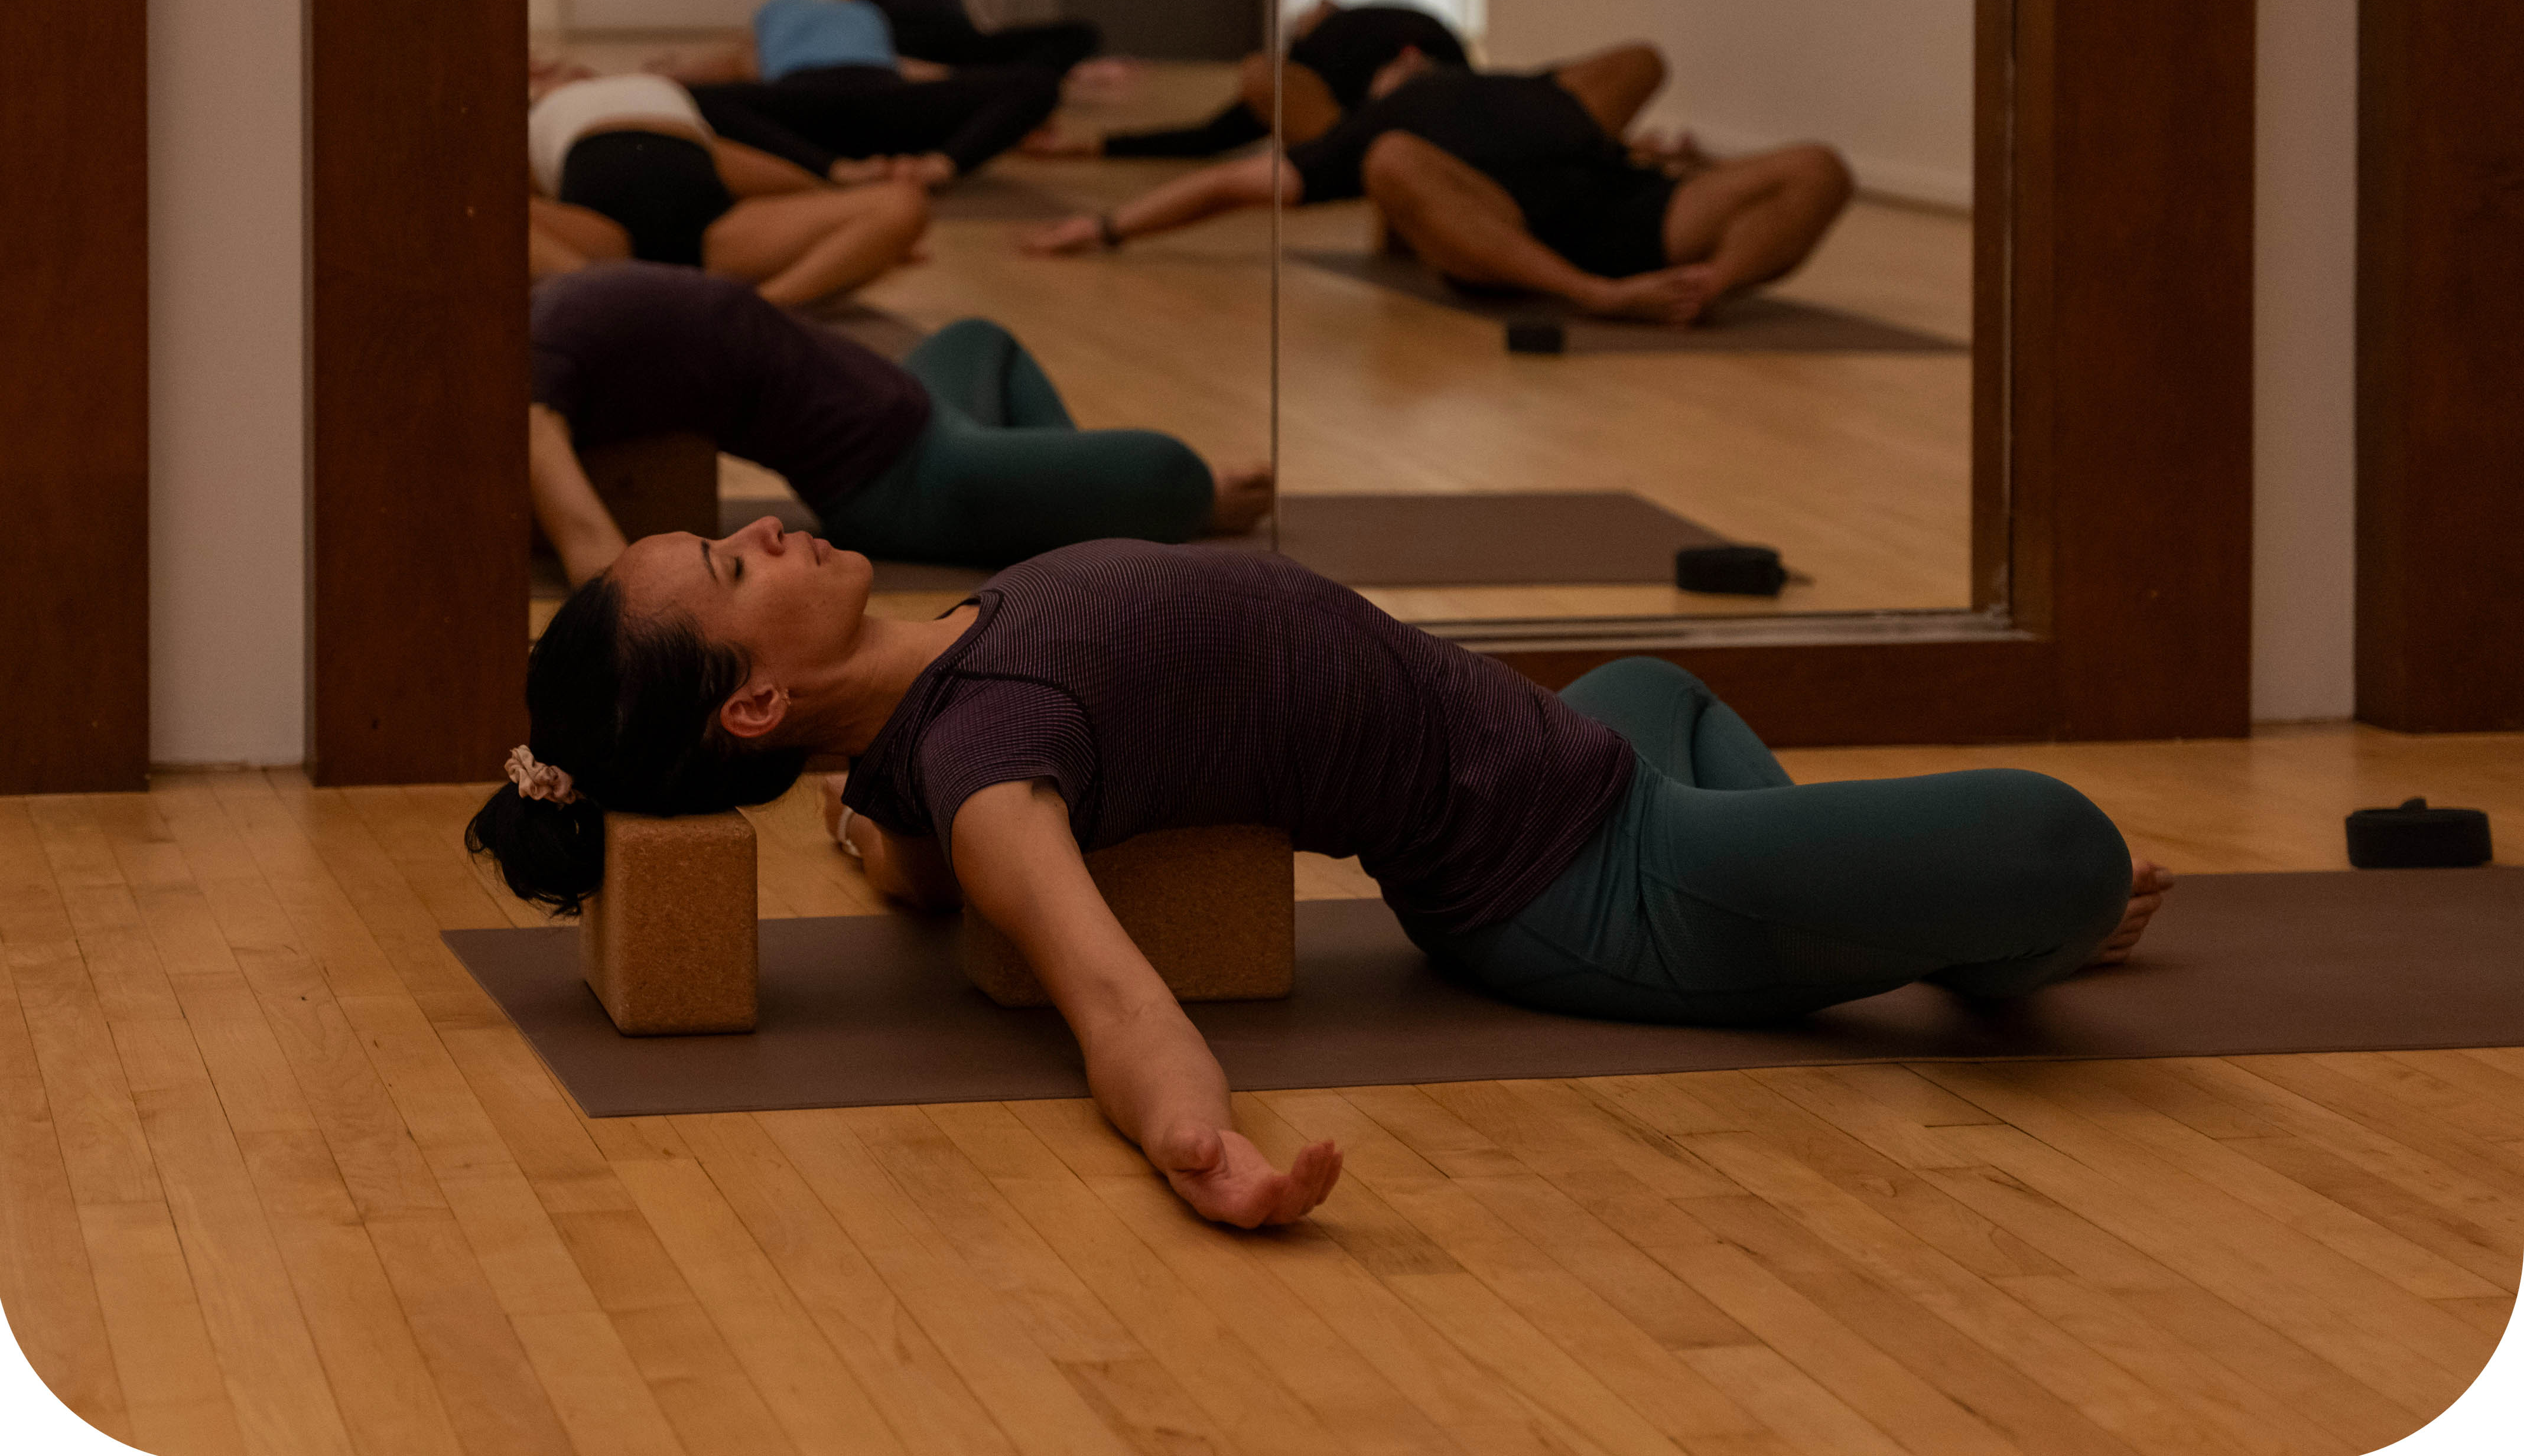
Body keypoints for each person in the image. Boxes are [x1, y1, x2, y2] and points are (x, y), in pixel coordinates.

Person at [466, 533, 2167, 1230]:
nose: (763, 533)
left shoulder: (923, 732)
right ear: (750, 696)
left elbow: (908, 862)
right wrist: (1200, 1143)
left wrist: (858, 825)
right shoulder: (988, 759)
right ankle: (1947, 924)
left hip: (1584, 759)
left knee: (1666, 682)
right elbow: (1107, 987)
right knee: (2058, 842)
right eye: (728, 566)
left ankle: (1870, 930)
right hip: (1577, 879)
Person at [529, 262, 1272, 585]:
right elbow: (594, 554)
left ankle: (1051, 504)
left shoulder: (543, 317)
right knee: (1171, 469)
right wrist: (1195, 498)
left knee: (984, 339)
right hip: (903, 479)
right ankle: (1082, 503)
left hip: (917, 402)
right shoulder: (532, 382)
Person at [1024, 43, 1855, 327]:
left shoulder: (1522, 82)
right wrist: (1103, 230)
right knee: (1393, 161)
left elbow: (1641, 64)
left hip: (1638, 208)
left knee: (1819, 167)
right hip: (1521, 237)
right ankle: (1601, 296)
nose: (1406, 54)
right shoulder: (1364, 137)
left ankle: (1700, 288)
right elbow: (1225, 186)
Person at [528, 72, 928, 308]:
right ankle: (612, 304)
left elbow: (771, 176)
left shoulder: (657, 92)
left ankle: (754, 311)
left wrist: (838, 210)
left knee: (901, 202)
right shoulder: (534, 113)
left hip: (712, 235)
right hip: (603, 241)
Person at [661, 0, 1065, 187]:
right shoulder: (777, 15)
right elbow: (730, 65)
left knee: (1040, 79)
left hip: (856, 103)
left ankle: (935, 166)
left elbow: (922, 70)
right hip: (820, 103)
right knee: (685, 99)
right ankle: (839, 169)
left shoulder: (860, 13)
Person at [1023, 0, 1471, 159]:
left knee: (1260, 75)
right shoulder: (1327, 62)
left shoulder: (1331, 55)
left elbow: (1209, 138)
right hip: (1353, 125)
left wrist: (1089, 146)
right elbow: (1210, 137)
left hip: (1361, 133)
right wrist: (1092, 145)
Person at [850, 0, 1102, 79]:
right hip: (927, 36)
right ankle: (1007, 82)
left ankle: (1005, 81)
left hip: (958, 37)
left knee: (1084, 33)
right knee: (1083, 34)